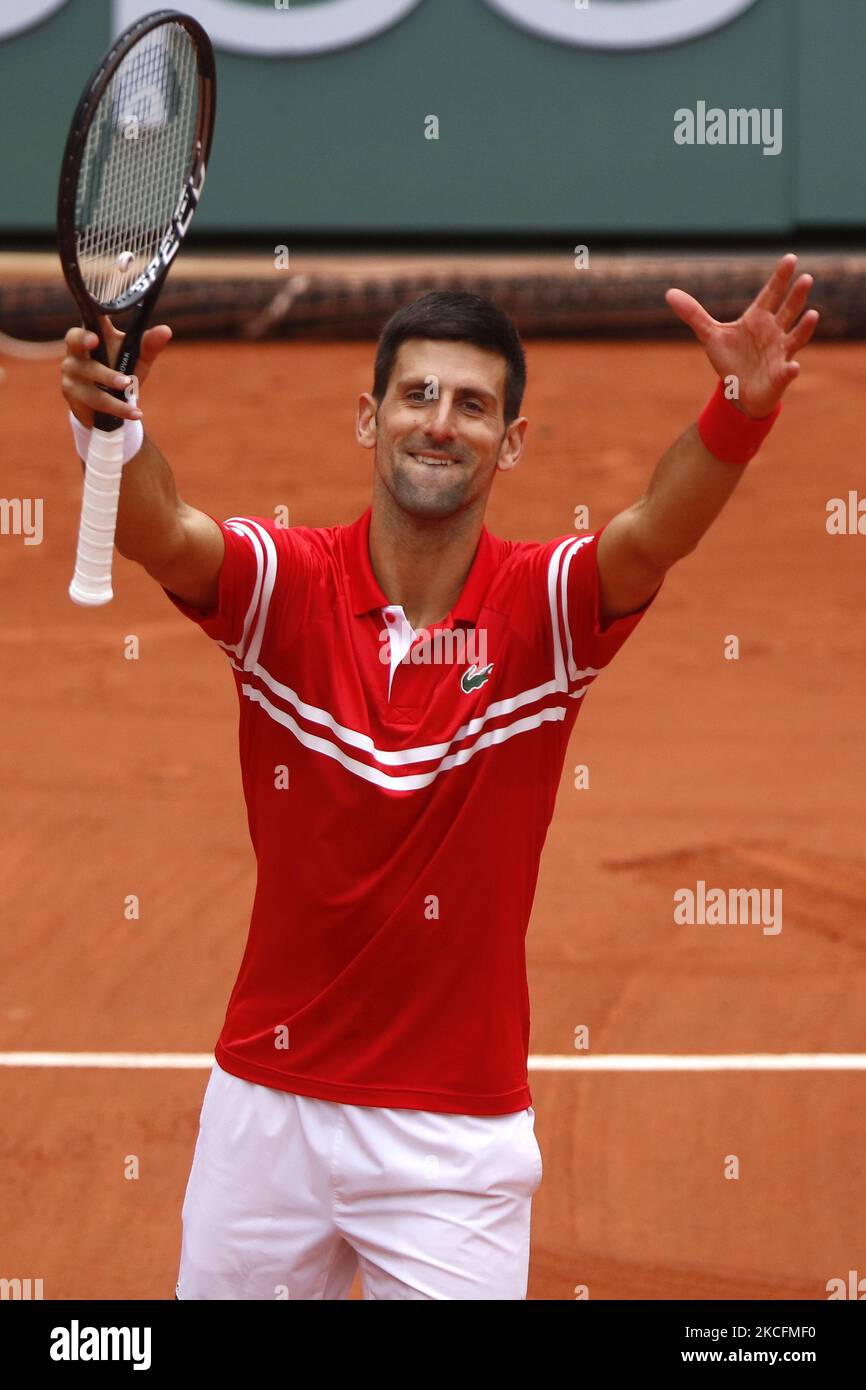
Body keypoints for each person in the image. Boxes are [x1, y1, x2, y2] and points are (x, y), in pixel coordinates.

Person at [59, 259, 817, 1300]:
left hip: (454, 1142)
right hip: (264, 1113)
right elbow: (160, 532)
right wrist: (115, 425)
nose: (437, 422)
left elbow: (654, 530)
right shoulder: (286, 588)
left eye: (471, 404)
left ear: (508, 441)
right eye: (416, 395)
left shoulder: (542, 612)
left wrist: (736, 409)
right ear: (367, 419)